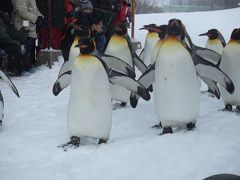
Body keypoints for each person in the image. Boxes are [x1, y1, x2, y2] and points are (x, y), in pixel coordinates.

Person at [11, 0, 44, 72]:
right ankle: (22, 68)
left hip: (31, 28)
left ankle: (28, 67)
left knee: (30, 49)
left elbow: (35, 10)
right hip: (22, 29)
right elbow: (21, 12)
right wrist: (36, 19)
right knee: (24, 50)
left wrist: (40, 17)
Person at [0, 0, 28, 75]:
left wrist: (23, 35)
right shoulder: (2, 20)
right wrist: (16, 42)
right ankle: (12, 68)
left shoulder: (5, 19)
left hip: (4, 40)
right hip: (3, 42)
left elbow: (10, 31)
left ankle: (18, 67)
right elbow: (4, 37)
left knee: (22, 44)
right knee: (15, 48)